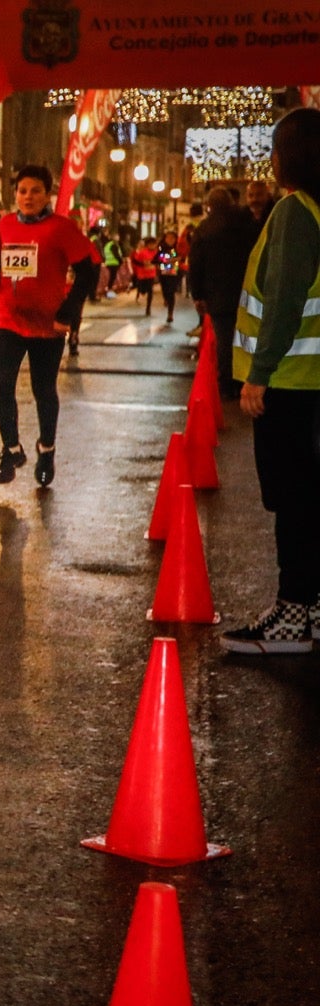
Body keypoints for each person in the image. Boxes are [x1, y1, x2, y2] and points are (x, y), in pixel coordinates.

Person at [221, 108, 320, 655]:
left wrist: (258, 374)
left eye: (277, 147)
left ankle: (292, 613)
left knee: (292, 497)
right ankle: (313, 607)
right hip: (313, 381)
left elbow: (283, 299)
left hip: (290, 380)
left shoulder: (294, 212)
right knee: (311, 495)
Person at [0, 164, 100, 487]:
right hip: (7, 316)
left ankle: (46, 450)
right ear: (15, 194)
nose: (28, 197)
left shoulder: (61, 228)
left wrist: (68, 311)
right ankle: (11, 449)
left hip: (48, 323)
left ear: (47, 194)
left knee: (43, 390)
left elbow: (88, 272)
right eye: (22, 191)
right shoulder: (5, 224)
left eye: (35, 191)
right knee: (1, 384)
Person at [188, 187, 261, 397]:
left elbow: (196, 264)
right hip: (245, 288)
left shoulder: (204, 229)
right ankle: (245, 379)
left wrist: (198, 295)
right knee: (245, 336)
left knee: (224, 340)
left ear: (209, 206)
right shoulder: (246, 223)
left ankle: (227, 384)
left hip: (217, 292)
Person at [155, 230, 182, 325]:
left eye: (172, 238)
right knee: (165, 290)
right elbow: (155, 259)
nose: (170, 240)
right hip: (163, 273)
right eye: (168, 237)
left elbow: (181, 258)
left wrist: (174, 260)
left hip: (174, 273)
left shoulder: (177, 248)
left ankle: (170, 314)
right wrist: (161, 262)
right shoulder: (161, 248)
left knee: (171, 292)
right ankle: (166, 299)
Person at [130, 236, 159, 316]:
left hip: (151, 275)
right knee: (142, 290)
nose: (152, 246)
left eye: (154, 244)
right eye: (150, 244)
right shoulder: (142, 252)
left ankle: (148, 308)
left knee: (150, 291)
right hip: (142, 275)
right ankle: (141, 291)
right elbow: (135, 261)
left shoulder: (156, 253)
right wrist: (143, 265)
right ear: (147, 245)